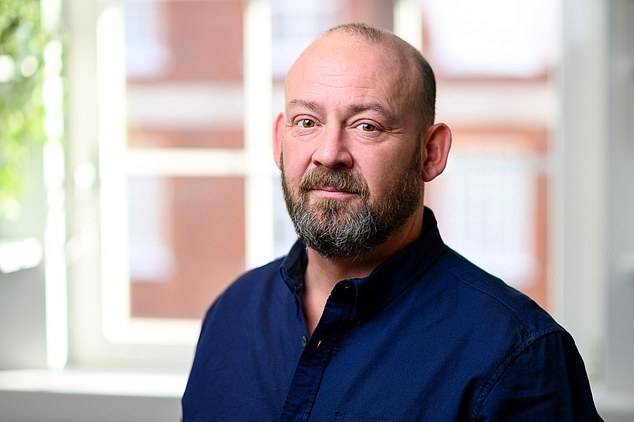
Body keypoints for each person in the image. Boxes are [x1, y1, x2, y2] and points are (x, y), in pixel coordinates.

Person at [182, 23, 601, 421]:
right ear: (280, 140)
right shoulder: (232, 314)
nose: (329, 154)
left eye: (367, 126)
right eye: (307, 122)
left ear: (431, 152)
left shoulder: (519, 356)